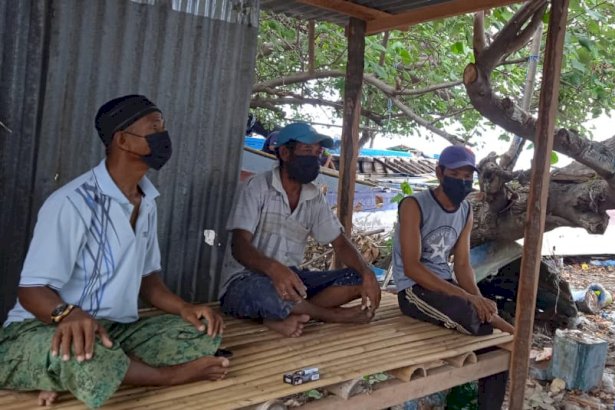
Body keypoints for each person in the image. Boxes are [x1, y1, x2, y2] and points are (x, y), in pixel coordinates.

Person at [0, 95, 229, 409]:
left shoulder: (146, 202)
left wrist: (183, 308)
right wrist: (68, 314)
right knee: (85, 353)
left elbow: (149, 280)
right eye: (155, 128)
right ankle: (166, 376)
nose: (163, 137)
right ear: (123, 140)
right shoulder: (72, 203)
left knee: (202, 332)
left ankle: (69, 374)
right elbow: (31, 291)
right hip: (40, 328)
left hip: (114, 329)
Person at [220, 122, 381, 337]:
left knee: (356, 279)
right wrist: (273, 269)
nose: (314, 158)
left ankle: (283, 315)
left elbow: (340, 243)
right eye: (307, 151)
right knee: (265, 292)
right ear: (285, 153)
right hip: (246, 280)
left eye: (317, 152)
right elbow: (239, 246)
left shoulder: (313, 196)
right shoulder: (258, 187)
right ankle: (329, 315)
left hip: (292, 282)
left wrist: (367, 272)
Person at [390, 145, 514, 410]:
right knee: (478, 323)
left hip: (445, 285)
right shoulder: (414, 205)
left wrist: (481, 301)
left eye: (467, 176)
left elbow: (462, 265)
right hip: (413, 290)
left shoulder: (465, 211)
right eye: (455, 174)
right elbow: (411, 267)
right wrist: (471, 301)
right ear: (439, 172)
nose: (462, 181)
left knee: (495, 337)